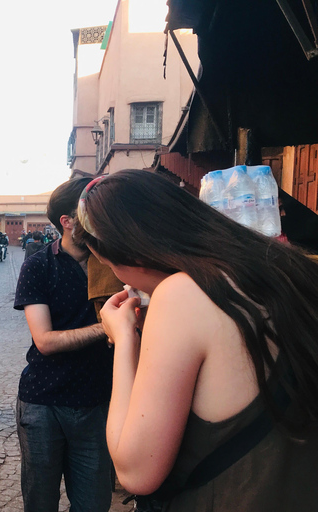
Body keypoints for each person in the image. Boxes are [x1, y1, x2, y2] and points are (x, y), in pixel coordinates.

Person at [75, 170, 318, 511]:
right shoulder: (288, 266)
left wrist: (123, 337)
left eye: (109, 265)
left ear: (132, 253)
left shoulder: (182, 294)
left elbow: (136, 470)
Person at [14, 178, 113, 512]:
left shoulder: (115, 263)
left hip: (97, 403)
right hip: (45, 403)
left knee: (94, 505)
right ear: (67, 222)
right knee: (41, 503)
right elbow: (44, 341)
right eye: (89, 209)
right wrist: (107, 328)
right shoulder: (38, 265)